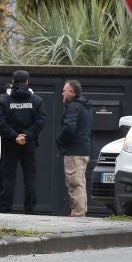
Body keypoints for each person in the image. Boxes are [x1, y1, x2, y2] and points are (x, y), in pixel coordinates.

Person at [0, 70, 47, 214]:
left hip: (9, 143)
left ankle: (5, 209)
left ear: (13, 82)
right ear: (27, 81)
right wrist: (27, 136)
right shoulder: (37, 100)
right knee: (30, 176)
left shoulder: (3, 101)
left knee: (8, 176)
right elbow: (41, 120)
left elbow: (0, 121)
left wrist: (14, 136)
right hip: (28, 144)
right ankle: (30, 209)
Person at [59, 79, 93, 217]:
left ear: (71, 92)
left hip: (74, 151)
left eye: (64, 90)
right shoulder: (84, 107)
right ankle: (81, 212)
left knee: (74, 183)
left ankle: (78, 214)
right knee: (80, 182)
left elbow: (69, 128)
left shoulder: (73, 107)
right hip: (83, 150)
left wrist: (60, 140)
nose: (62, 93)